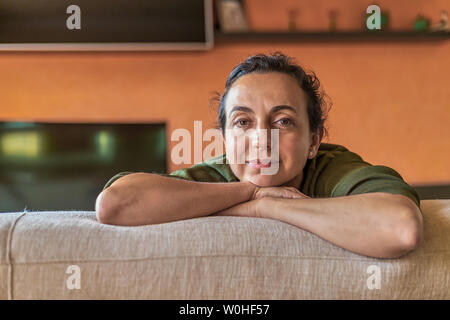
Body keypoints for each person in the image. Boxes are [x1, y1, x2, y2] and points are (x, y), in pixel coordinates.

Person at [95, 52, 423, 259]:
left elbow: (401, 228)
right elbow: (116, 204)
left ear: (313, 141)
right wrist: (250, 193)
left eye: (282, 122)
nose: (261, 140)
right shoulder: (219, 176)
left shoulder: (333, 168)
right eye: (243, 122)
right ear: (225, 139)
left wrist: (267, 206)